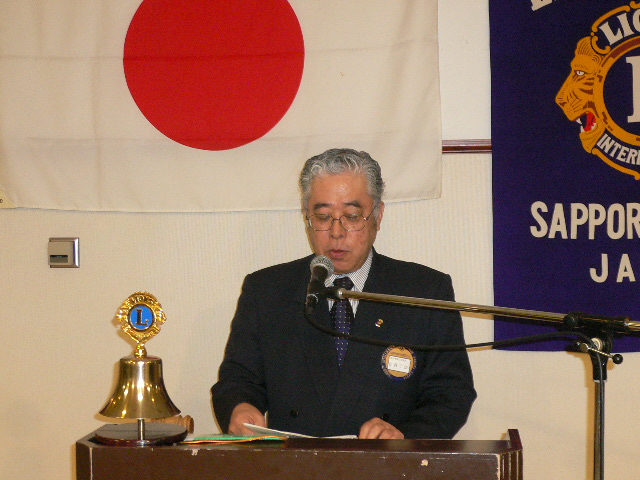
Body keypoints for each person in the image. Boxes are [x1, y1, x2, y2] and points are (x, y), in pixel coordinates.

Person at [211, 148, 476, 439]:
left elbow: (451, 393)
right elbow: (238, 379)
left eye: (351, 216)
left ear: (378, 216)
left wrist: (405, 436)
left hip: (387, 461)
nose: (336, 232)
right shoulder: (267, 290)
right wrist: (240, 408)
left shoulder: (424, 291)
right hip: (295, 460)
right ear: (307, 217)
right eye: (323, 216)